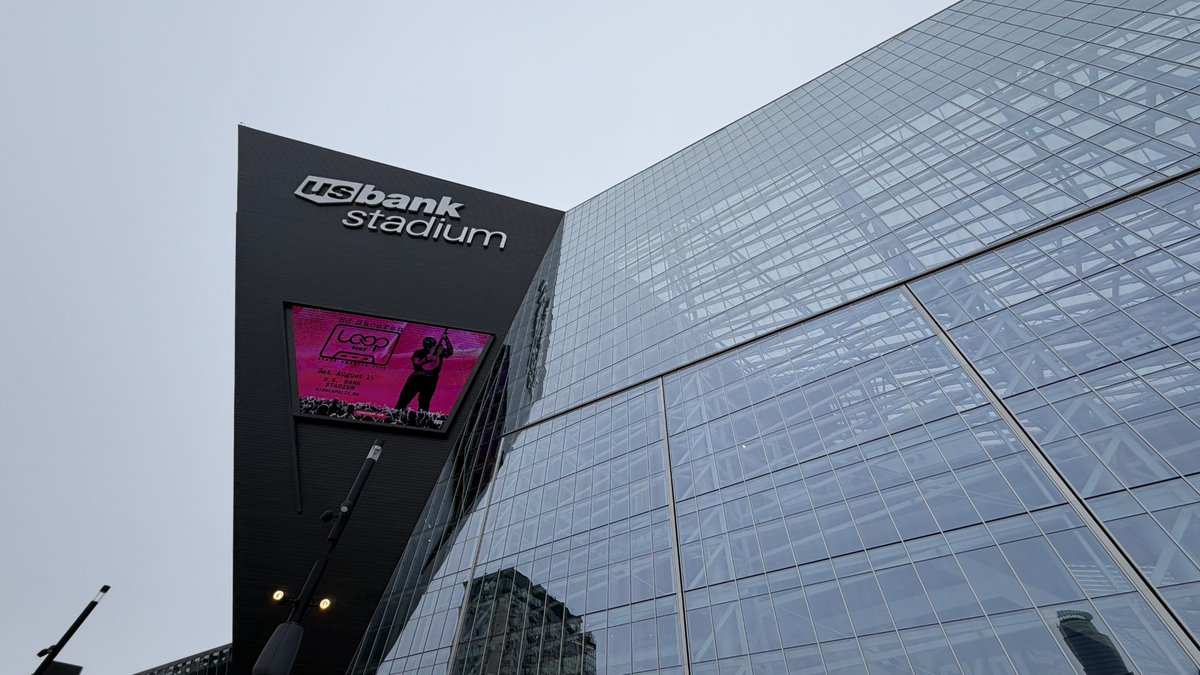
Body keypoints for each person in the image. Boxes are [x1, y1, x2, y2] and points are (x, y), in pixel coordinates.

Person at [395, 333, 454, 413]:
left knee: (424, 403)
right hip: (416, 378)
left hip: (431, 379)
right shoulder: (418, 352)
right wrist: (425, 359)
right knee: (404, 399)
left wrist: (446, 339)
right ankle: (394, 415)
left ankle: (421, 419)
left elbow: (450, 352)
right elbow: (416, 363)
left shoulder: (439, 352)